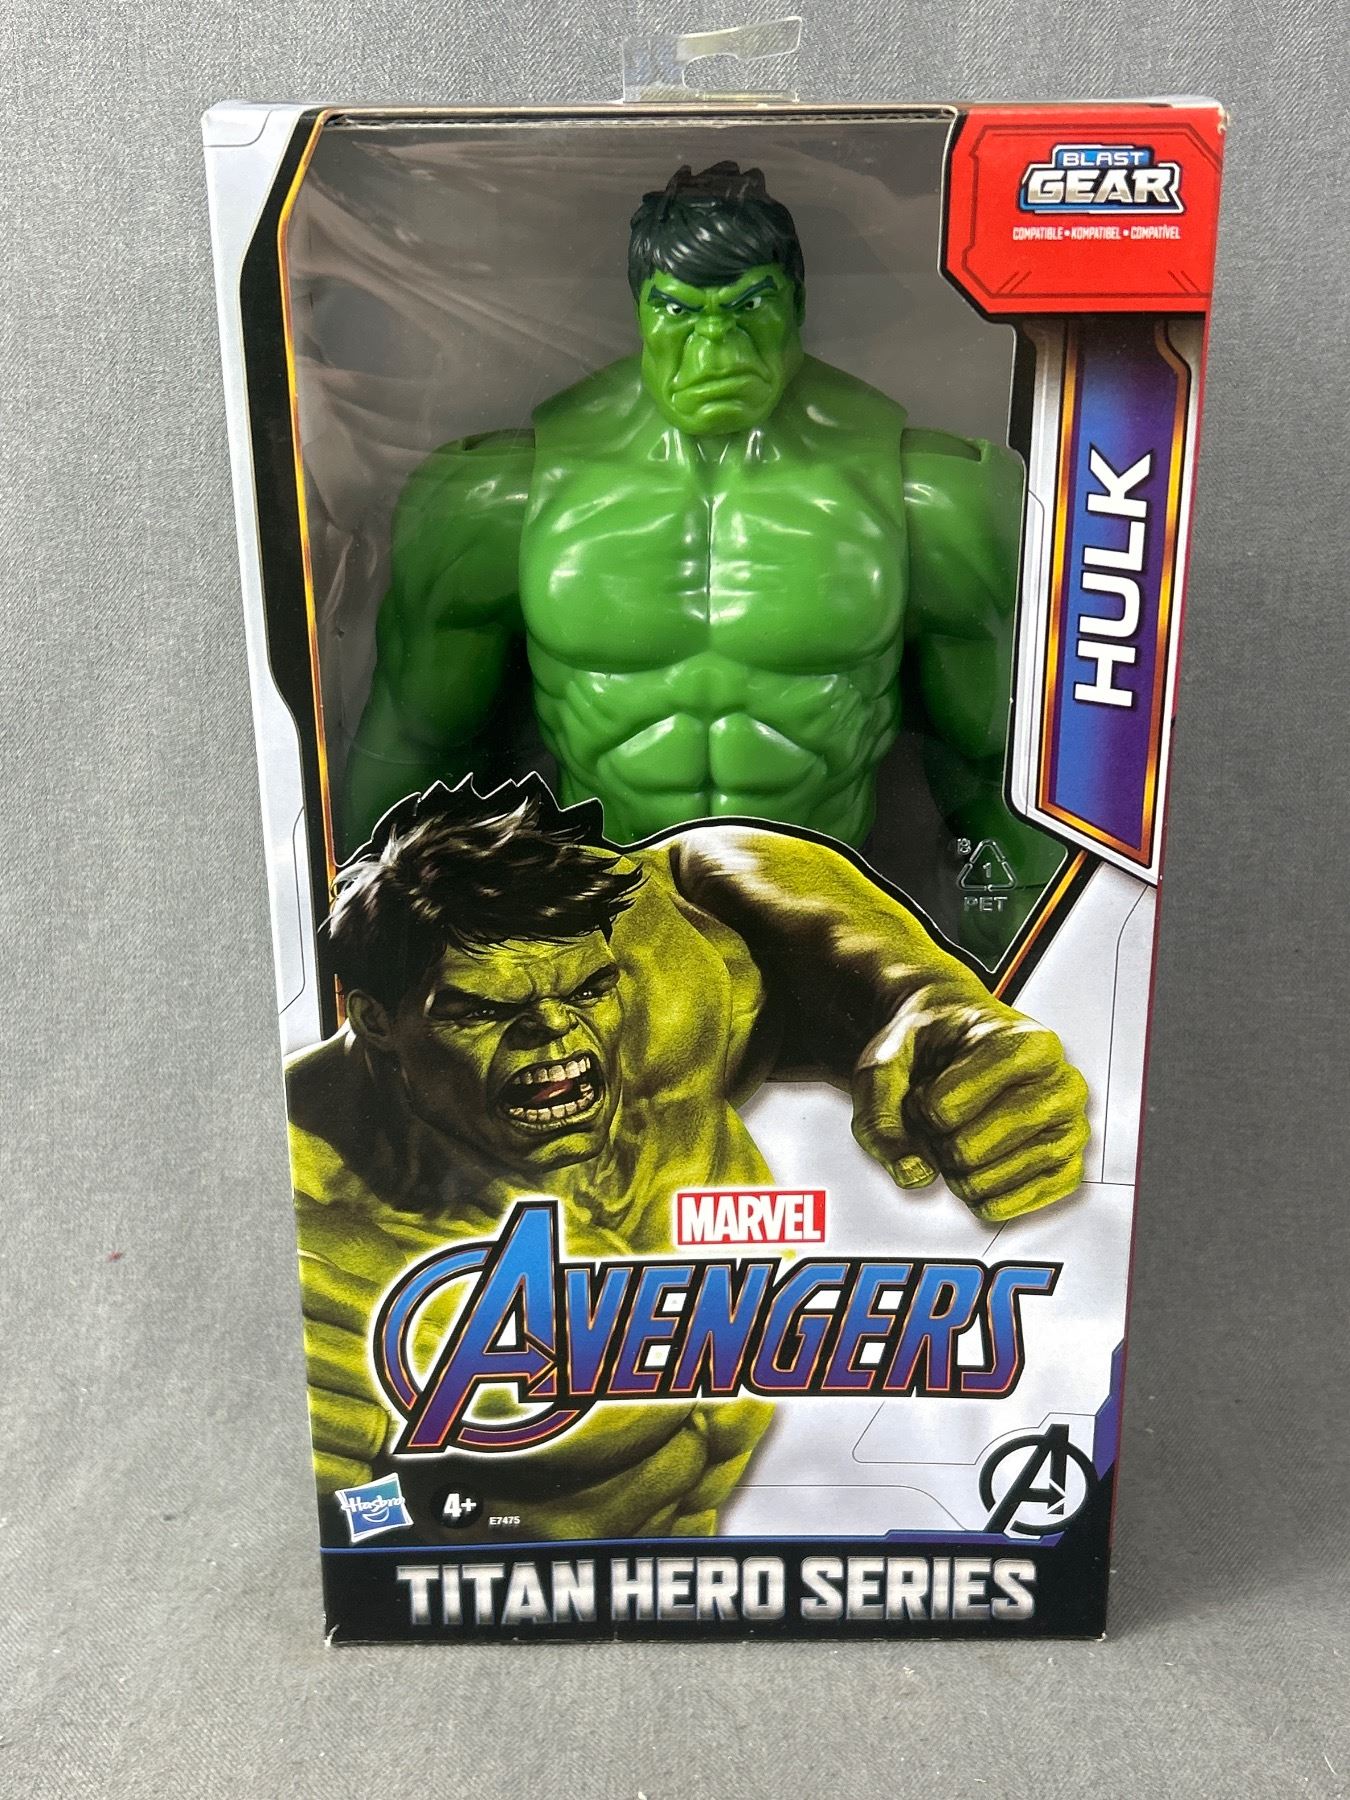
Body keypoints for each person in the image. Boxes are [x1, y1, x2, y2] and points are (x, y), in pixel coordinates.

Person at [289, 779, 1089, 1540]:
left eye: (588, 991)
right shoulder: (314, 1226)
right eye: (487, 1010)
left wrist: (924, 997)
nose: (555, 1030)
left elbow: (704, 863)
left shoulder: (655, 987)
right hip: (523, 1593)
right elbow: (344, 1545)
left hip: (719, 1550)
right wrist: (419, 1520)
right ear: (376, 1021)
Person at [342, 160, 1063, 955]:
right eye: (680, 311)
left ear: (796, 304)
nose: (715, 346)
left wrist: (1024, 958)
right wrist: (376, 962)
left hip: (819, 936)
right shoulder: (497, 501)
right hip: (605, 941)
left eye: (749, 306)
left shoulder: (930, 499)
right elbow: (417, 749)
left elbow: (997, 766)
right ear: (640, 312)